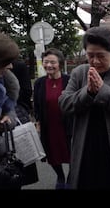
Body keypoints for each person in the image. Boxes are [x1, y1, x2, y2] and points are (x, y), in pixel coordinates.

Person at [58, 26, 110, 189]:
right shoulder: (79, 73)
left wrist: (103, 91)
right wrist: (88, 92)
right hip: (86, 146)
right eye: (90, 55)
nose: (94, 61)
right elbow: (64, 103)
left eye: (101, 56)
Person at [33, 48, 71, 189]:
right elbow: (36, 105)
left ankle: (71, 178)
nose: (49, 65)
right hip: (49, 127)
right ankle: (60, 176)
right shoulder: (39, 83)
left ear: (60, 64)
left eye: (53, 62)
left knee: (73, 153)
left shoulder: (69, 80)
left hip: (68, 126)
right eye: (46, 62)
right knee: (52, 154)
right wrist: (37, 121)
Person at [10, 59, 39, 186]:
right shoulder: (18, 64)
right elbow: (26, 91)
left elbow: (26, 91)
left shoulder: (16, 65)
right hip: (17, 112)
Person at [0, 31, 20, 159]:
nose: (10, 66)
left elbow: (10, 107)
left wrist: (7, 118)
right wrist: (3, 146)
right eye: (6, 62)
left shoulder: (2, 82)